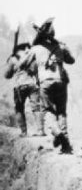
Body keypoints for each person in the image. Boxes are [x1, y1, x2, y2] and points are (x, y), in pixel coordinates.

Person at [19, 18, 75, 153]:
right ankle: (65, 143)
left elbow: (22, 65)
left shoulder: (36, 49)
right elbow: (71, 60)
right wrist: (63, 49)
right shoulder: (60, 46)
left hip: (45, 83)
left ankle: (57, 132)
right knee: (61, 111)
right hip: (61, 82)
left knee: (48, 110)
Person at [4, 42, 43, 137]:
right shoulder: (32, 57)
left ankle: (24, 132)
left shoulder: (13, 58)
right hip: (32, 84)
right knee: (36, 108)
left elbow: (7, 75)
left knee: (19, 109)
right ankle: (40, 131)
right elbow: (35, 71)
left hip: (19, 85)